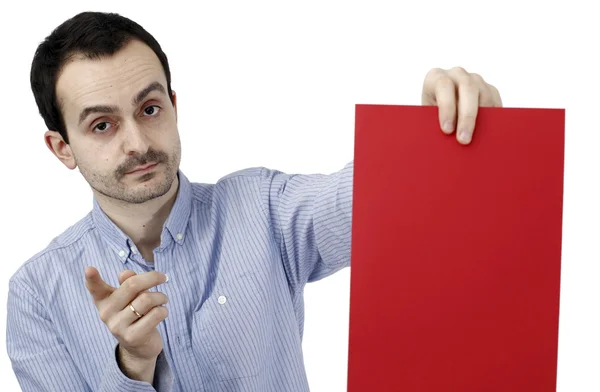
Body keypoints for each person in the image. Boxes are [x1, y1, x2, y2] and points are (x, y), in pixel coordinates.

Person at [5, 10, 502, 392]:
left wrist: (435, 132)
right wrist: (134, 365)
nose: (136, 142)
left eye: (149, 108)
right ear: (62, 147)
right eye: (102, 124)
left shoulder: (262, 208)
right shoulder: (36, 295)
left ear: (174, 108)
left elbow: (389, 200)